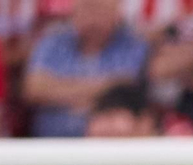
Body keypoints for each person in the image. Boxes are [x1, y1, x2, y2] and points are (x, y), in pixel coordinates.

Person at [21, 0, 148, 137]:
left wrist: (56, 90)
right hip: (48, 146)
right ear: (73, 11)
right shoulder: (52, 42)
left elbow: (126, 90)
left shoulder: (132, 46)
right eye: (86, 7)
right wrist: (104, 88)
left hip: (108, 149)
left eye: (99, 8)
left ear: (117, 12)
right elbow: (34, 89)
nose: (92, 16)